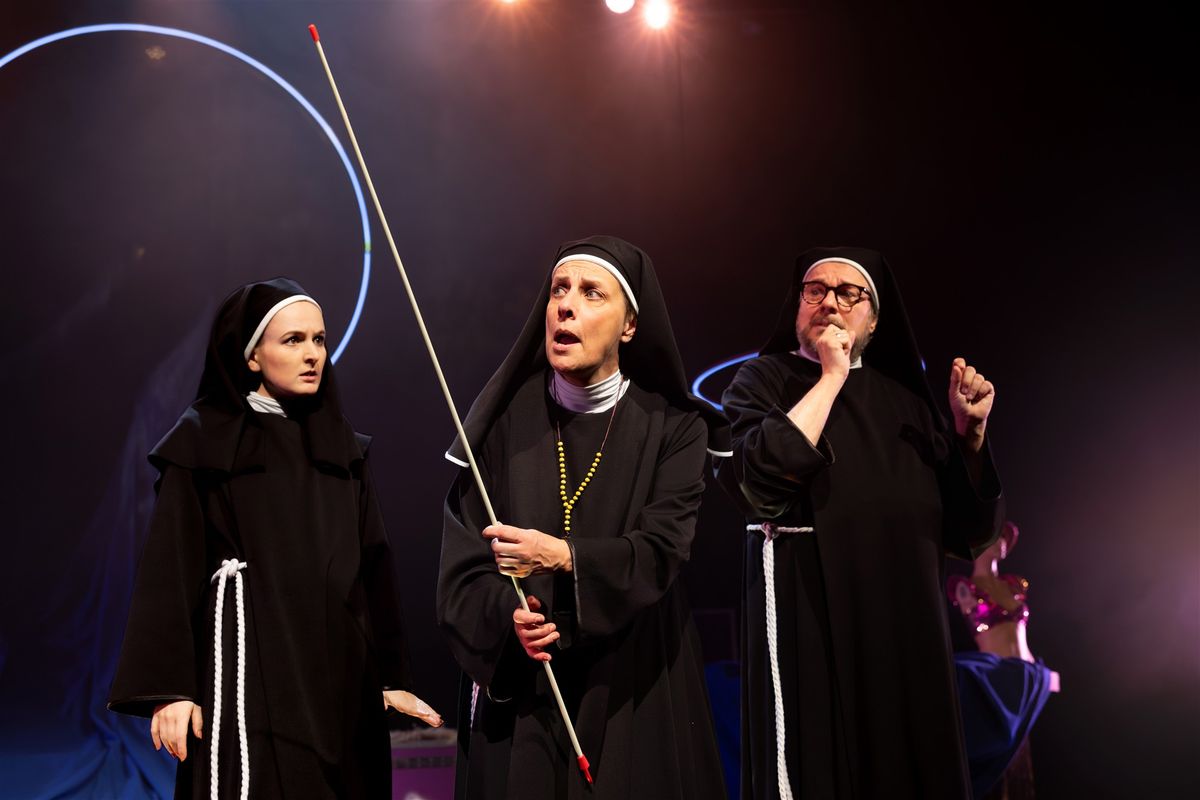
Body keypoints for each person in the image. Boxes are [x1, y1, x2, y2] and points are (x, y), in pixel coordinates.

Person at [108, 278, 441, 799]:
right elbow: (168, 571)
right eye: (293, 340)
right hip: (245, 673)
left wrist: (388, 676)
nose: (313, 355)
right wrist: (170, 690)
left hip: (333, 678)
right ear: (252, 356)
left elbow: (373, 570)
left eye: (319, 339)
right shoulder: (203, 442)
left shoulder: (342, 450)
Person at [436, 236, 728, 800]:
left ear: (630, 326)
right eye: (558, 290)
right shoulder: (500, 425)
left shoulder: (674, 428)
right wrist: (507, 620)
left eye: (591, 293)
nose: (566, 306)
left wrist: (564, 556)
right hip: (528, 694)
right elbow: (462, 570)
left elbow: (663, 550)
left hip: (635, 686)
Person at [718, 247, 1004, 799]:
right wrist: (831, 377)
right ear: (797, 304)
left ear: (873, 320)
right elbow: (759, 484)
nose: (829, 302)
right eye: (815, 290)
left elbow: (970, 533)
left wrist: (970, 438)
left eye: (849, 293)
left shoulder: (908, 406)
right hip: (812, 622)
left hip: (905, 637)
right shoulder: (761, 380)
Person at [949, 521, 1058, 800]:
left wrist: (1045, 675)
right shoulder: (965, 588)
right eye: (997, 537)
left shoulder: (1013, 585)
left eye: (1005, 539)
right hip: (999, 674)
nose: (1003, 543)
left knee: (1019, 759)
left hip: (1029, 673)